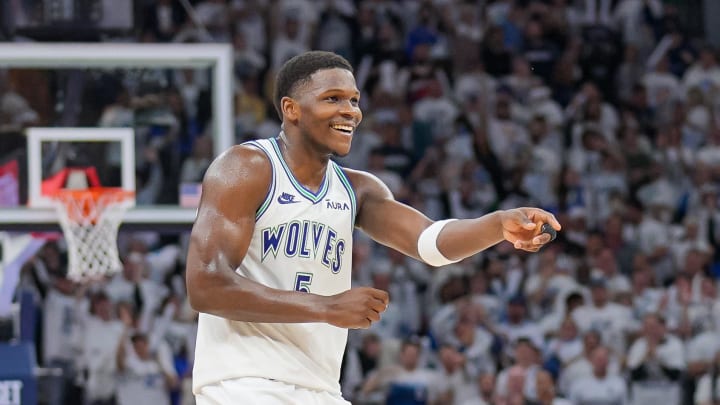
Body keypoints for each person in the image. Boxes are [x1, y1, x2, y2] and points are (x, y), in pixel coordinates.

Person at [185, 50, 561, 404]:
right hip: (243, 383)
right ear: (291, 109)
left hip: (320, 389)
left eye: (354, 100)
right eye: (333, 98)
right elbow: (205, 285)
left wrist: (497, 224)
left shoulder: (358, 189)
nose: (350, 111)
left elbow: (429, 242)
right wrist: (326, 307)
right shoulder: (247, 167)